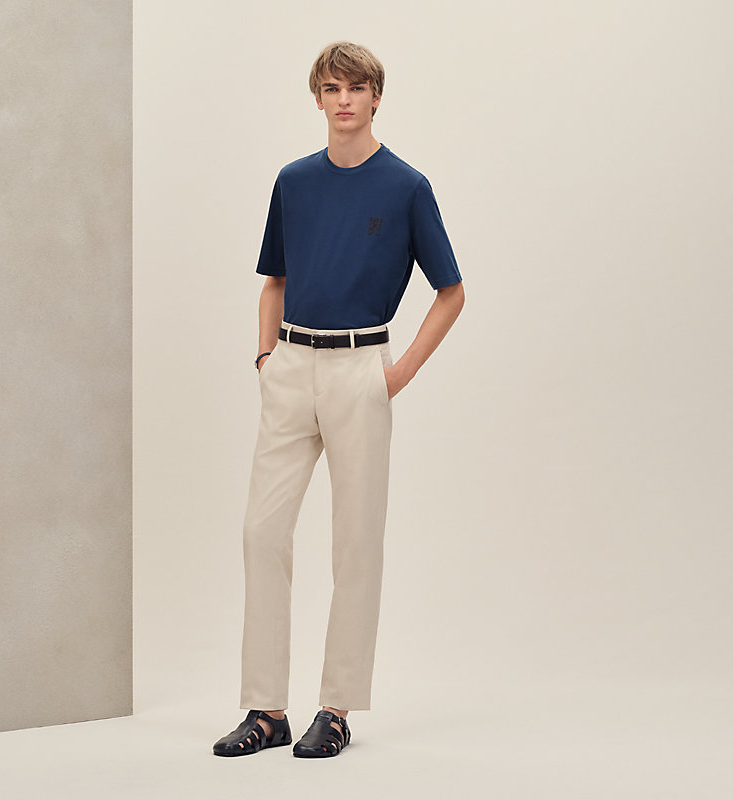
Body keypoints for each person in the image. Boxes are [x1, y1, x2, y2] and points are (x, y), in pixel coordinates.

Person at [213, 41, 464, 758]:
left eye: (356, 88)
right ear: (318, 98)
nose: (344, 99)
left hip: (361, 369)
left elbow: (451, 291)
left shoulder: (406, 186)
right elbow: (274, 280)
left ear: (376, 97)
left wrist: (397, 373)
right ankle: (267, 711)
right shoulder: (293, 182)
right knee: (262, 533)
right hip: (291, 367)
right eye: (332, 88)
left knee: (356, 542)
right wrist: (266, 358)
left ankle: (337, 708)